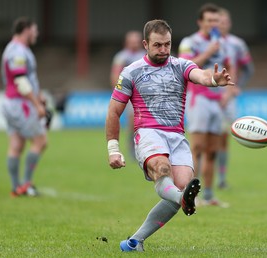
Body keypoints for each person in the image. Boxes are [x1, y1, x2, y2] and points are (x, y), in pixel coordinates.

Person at [105, 19, 234, 252]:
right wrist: (113, 148)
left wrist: (214, 80)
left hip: (176, 135)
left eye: (167, 44)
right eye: (157, 45)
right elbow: (114, 111)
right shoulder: (131, 72)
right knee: (163, 171)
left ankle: (134, 242)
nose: (163, 50)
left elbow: (200, 76)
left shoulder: (180, 65)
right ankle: (181, 198)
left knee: (180, 189)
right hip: (148, 132)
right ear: (145, 44)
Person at [178, 3, 236, 207]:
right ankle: (189, 195)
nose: (214, 24)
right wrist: (209, 51)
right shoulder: (189, 42)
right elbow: (184, 66)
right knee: (198, 147)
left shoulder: (223, 43)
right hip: (198, 99)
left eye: (216, 20)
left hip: (217, 102)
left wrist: (229, 92)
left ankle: (209, 195)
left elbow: (230, 66)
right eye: (210, 20)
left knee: (213, 149)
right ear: (200, 22)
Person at [1, 17, 48, 197]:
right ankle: (26, 184)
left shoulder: (15, 49)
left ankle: (16, 187)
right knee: (40, 141)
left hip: (13, 102)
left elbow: (27, 79)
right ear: (26, 29)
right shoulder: (18, 51)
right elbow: (20, 80)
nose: (36, 34)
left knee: (16, 145)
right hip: (21, 104)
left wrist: (39, 95)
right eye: (34, 30)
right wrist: (36, 104)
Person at [217, 7, 255, 189]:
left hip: (227, 97)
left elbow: (249, 69)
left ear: (229, 24)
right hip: (205, 98)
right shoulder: (201, 42)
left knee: (223, 138)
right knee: (203, 140)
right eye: (218, 21)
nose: (221, 25)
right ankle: (197, 177)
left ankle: (221, 179)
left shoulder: (237, 44)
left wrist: (237, 87)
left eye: (224, 22)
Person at [110, 30, 146, 160]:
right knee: (133, 123)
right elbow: (115, 76)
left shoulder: (145, 55)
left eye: (137, 41)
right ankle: (133, 149)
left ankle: (143, 148)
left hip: (145, 95)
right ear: (127, 42)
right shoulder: (121, 57)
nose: (135, 44)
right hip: (130, 95)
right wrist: (120, 95)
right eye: (132, 41)